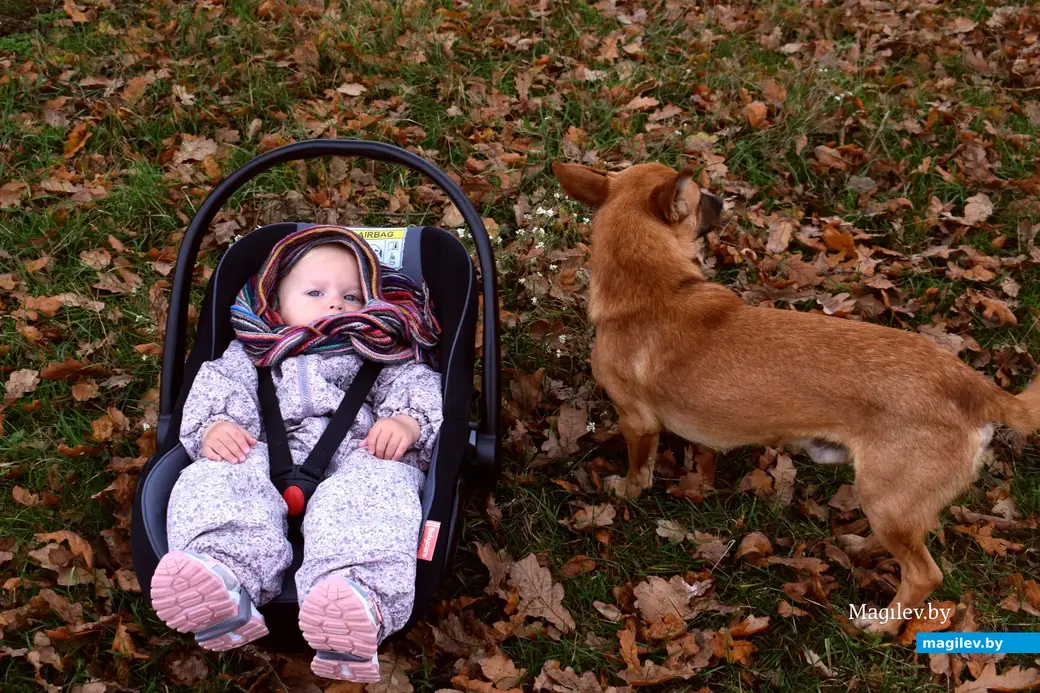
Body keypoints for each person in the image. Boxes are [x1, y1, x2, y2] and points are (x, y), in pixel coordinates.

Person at [150, 225, 442, 682]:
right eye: (315, 292)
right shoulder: (250, 354)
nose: (335, 304)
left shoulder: (381, 351)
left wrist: (407, 421)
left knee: (379, 487)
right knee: (219, 473)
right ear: (274, 303)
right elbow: (218, 390)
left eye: (353, 296)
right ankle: (223, 572)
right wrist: (216, 425)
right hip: (264, 451)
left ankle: (356, 596)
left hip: (358, 452)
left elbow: (416, 386)